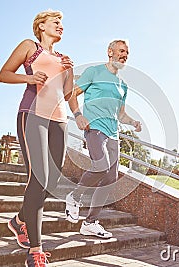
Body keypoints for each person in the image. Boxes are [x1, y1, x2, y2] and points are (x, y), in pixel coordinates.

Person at [0, 10, 73, 267]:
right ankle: (35, 251)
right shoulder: (30, 47)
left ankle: (19, 220)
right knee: (38, 177)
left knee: (51, 180)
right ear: (41, 26)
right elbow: (3, 73)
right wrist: (28, 78)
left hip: (59, 119)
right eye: (56, 22)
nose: (61, 27)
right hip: (33, 115)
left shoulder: (62, 57)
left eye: (62, 23)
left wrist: (69, 71)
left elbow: (66, 92)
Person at [65, 40, 141, 238]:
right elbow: (72, 94)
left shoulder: (123, 85)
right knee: (101, 166)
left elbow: (121, 114)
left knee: (110, 178)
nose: (125, 55)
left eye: (127, 53)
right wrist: (78, 115)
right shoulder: (94, 72)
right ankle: (74, 197)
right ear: (110, 52)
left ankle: (90, 223)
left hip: (113, 134)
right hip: (94, 127)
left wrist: (133, 122)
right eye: (121, 51)